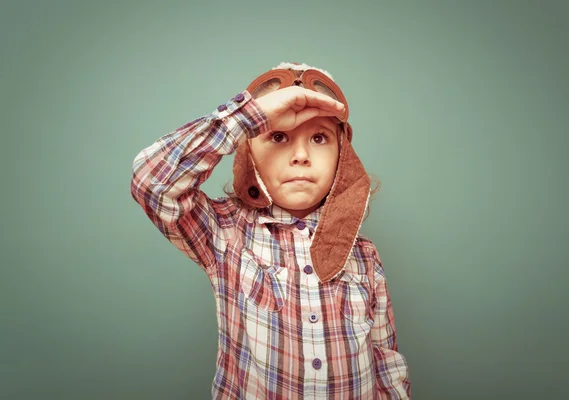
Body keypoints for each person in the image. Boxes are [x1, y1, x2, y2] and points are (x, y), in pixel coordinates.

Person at [130, 62, 411, 399]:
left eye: (319, 137)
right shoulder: (224, 233)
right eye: (278, 137)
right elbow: (152, 183)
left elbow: (385, 358)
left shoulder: (365, 256)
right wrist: (248, 117)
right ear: (249, 154)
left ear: (343, 154)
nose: (301, 155)